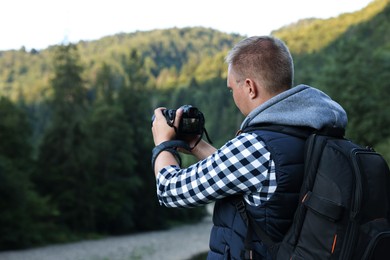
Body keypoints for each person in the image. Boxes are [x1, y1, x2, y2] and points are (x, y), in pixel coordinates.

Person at [151, 36, 347, 259]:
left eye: (231, 88)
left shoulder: (257, 146)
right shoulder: (317, 131)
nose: (232, 95)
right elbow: (247, 175)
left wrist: (163, 144)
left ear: (250, 87)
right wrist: (196, 145)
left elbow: (170, 190)